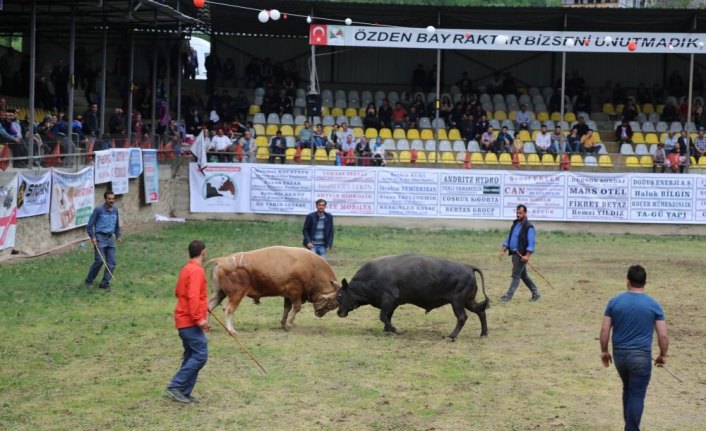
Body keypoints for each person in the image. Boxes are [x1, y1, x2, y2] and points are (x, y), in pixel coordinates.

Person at [599, 265, 669, 431]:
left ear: (627, 282)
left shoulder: (614, 301)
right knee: (637, 393)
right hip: (641, 357)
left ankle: (629, 427)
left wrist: (604, 351)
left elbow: (604, 330)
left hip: (620, 356)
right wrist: (663, 355)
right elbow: (663, 335)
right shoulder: (654, 304)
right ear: (645, 283)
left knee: (628, 389)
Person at [166, 240, 210, 404]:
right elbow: (192, 296)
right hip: (190, 321)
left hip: (183, 319)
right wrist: (199, 318)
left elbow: (179, 292)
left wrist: (202, 305)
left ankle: (183, 392)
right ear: (203, 253)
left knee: (191, 355)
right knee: (200, 355)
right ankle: (175, 386)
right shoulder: (197, 271)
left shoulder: (186, 269)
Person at [498, 204, 540, 302]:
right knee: (523, 275)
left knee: (516, 275)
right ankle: (536, 292)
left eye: (520, 213)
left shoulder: (529, 227)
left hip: (521, 256)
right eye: (517, 212)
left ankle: (508, 296)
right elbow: (510, 237)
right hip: (514, 254)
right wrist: (504, 249)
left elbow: (531, 242)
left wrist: (527, 255)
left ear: (525, 213)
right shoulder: (515, 224)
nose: (518, 214)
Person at [84, 191, 122, 290]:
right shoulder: (98, 210)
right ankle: (89, 280)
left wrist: (118, 235)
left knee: (112, 263)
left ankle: (105, 283)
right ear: (105, 199)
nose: (111, 201)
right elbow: (89, 226)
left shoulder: (115, 210)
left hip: (110, 239)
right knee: (99, 261)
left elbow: (117, 225)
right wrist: (92, 236)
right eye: (109, 199)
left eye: (113, 199)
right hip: (100, 238)